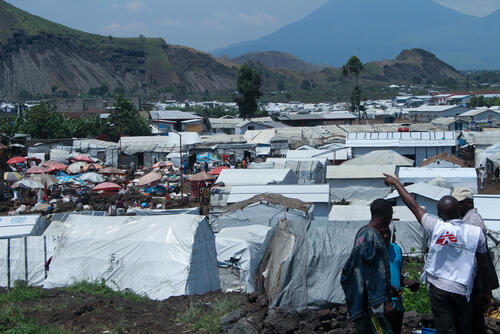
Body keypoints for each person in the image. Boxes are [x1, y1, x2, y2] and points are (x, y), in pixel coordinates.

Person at [383, 174, 490, 334]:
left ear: (440, 214)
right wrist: (485, 290)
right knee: (464, 328)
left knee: (446, 329)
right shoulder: (476, 233)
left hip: (439, 288)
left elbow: (413, 205)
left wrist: (396, 182)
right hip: (463, 288)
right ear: (458, 210)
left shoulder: (437, 228)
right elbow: (483, 263)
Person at [341, 199, 395, 334]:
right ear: (387, 214)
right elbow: (373, 273)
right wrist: (383, 301)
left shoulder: (362, 233)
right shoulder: (372, 238)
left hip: (361, 302)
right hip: (371, 306)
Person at [451, 188, 499, 334]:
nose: (456, 206)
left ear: (468, 203)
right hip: (473, 278)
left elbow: (477, 256)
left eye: (459, 203)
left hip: (475, 279)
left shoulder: (473, 220)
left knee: (471, 320)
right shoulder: (467, 218)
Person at [380, 226, 420, 334]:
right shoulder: (373, 251)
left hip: (397, 304)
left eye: (387, 232)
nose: (386, 236)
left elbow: (397, 274)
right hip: (381, 304)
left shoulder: (396, 249)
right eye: (382, 233)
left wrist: (408, 283)